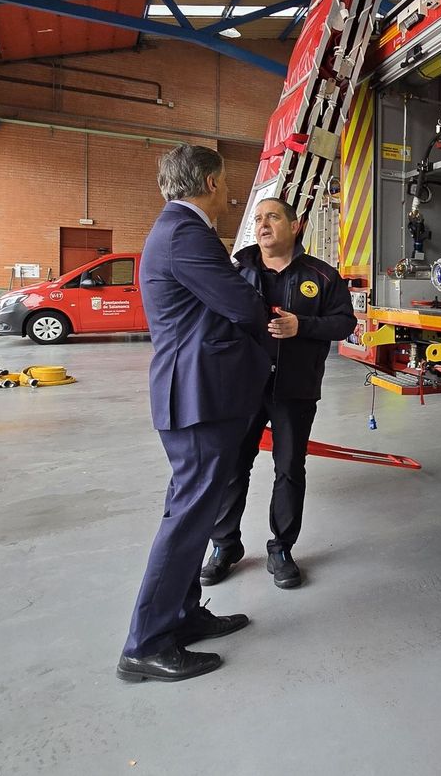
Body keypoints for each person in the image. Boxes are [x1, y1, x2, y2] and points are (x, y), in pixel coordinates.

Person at [117, 145, 279, 684]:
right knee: (187, 517)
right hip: (198, 395)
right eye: (224, 182)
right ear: (209, 181)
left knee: (191, 510)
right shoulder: (186, 234)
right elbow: (241, 304)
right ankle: (146, 643)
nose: (229, 192)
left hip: (198, 393)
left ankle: (182, 614)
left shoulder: (173, 231)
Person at [200, 196, 357, 589]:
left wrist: (300, 326)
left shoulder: (322, 277)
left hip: (295, 388)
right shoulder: (235, 272)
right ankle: (225, 545)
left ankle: (281, 548)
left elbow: (344, 323)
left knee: (289, 469)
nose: (263, 224)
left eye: (272, 216)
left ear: (295, 224)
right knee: (233, 466)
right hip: (243, 389)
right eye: (258, 218)